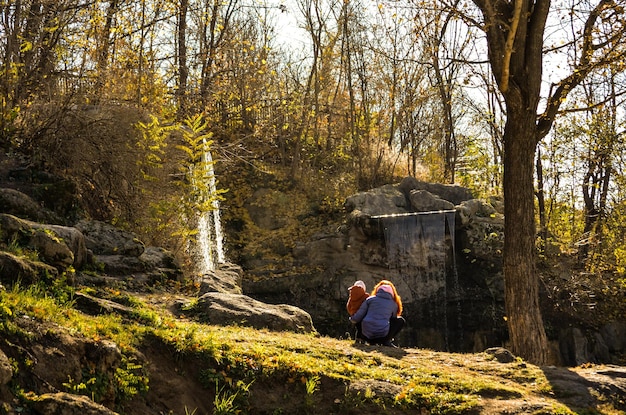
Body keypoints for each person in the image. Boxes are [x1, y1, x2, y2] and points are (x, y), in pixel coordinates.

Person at [349, 280, 405, 347]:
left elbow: (358, 316)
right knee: (400, 320)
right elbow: (393, 319)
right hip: (381, 336)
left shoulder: (370, 299)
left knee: (364, 316)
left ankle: (361, 338)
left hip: (366, 335)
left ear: (378, 290)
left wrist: (352, 319)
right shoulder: (394, 304)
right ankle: (386, 341)